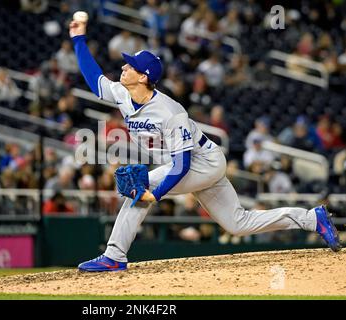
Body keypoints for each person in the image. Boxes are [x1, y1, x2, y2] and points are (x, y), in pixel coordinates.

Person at [69, 19, 341, 272]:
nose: (123, 68)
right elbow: (95, 81)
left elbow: (182, 165)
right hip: (193, 165)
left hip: (203, 163)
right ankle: (311, 218)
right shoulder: (123, 94)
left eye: (130, 66)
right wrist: (79, 39)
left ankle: (114, 256)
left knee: (140, 189)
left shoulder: (169, 112)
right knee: (237, 223)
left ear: (143, 77)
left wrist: (156, 194)